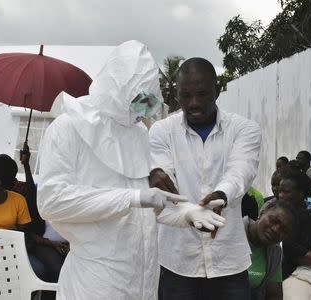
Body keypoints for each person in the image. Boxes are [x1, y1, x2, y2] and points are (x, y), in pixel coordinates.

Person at [37, 40, 226, 300]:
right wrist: (132, 198)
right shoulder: (69, 127)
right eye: (139, 100)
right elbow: (53, 201)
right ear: (117, 89)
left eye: (149, 101)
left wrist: (187, 213)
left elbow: (151, 208)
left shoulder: (138, 134)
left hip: (142, 277)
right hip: (96, 280)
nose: (144, 110)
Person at [149, 57, 261, 299]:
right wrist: (158, 177)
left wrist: (221, 195)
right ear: (175, 94)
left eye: (202, 94)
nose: (194, 103)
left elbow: (241, 168)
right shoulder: (161, 131)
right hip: (177, 261)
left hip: (228, 260)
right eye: (186, 95)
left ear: (217, 90)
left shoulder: (244, 129)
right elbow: (164, 178)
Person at [0, 152, 68, 300]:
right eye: (12, 176)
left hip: (28, 244)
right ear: (0, 181)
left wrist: (26, 165)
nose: (15, 179)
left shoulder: (18, 196)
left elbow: (31, 192)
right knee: (43, 270)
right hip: (9, 249)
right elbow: (19, 234)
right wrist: (50, 243)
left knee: (55, 269)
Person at [244, 200, 296, 300]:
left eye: (284, 230)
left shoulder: (275, 252)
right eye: (274, 221)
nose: (276, 229)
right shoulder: (233, 235)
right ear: (261, 214)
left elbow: (274, 295)